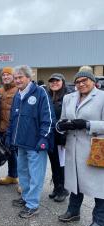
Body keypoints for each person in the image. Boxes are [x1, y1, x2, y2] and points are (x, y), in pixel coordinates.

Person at [57, 71, 104, 226]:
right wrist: (61, 126)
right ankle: (73, 211)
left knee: (99, 186)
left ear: (93, 81)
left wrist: (88, 124)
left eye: (84, 80)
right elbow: (63, 119)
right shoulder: (68, 98)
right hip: (73, 147)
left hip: (95, 148)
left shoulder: (102, 97)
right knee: (75, 181)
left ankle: (99, 220)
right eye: (77, 81)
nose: (81, 84)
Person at [7, 65, 55, 218]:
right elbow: (13, 120)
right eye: (16, 78)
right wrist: (10, 136)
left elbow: (48, 119)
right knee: (23, 173)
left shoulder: (40, 93)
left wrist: (43, 139)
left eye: (20, 77)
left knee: (36, 175)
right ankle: (26, 198)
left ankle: (33, 205)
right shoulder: (17, 95)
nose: (18, 80)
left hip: (36, 144)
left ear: (28, 77)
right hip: (21, 143)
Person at [46, 73, 70, 202]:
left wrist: (65, 135)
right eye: (52, 81)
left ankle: (63, 189)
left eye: (57, 81)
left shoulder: (68, 97)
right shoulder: (48, 96)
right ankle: (56, 187)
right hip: (51, 137)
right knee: (54, 163)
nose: (54, 83)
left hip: (62, 138)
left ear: (63, 82)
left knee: (61, 164)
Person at [0, 67, 19, 186]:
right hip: (3, 128)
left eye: (8, 75)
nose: (5, 77)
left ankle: (22, 180)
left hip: (15, 128)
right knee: (10, 153)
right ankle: (12, 175)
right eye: (4, 75)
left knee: (19, 155)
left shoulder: (18, 90)